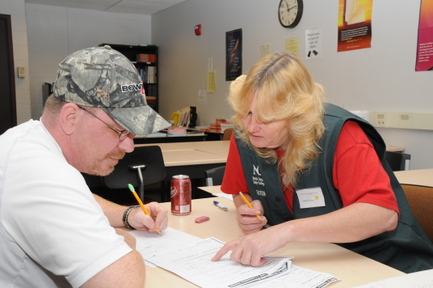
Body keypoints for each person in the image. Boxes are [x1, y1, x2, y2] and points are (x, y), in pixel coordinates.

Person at [212, 52, 433, 273]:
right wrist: (247, 211)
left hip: (381, 260)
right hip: (309, 258)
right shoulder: (245, 136)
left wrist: (285, 231)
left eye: (266, 119)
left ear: (296, 115)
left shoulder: (343, 135)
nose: (251, 127)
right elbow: (240, 192)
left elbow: (382, 215)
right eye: (247, 113)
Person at [0, 46, 172, 287]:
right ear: (71, 118)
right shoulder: (38, 171)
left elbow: (75, 197)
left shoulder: (27, 139)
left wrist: (127, 215)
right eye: (120, 130)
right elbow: (120, 281)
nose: (130, 146)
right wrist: (117, 240)